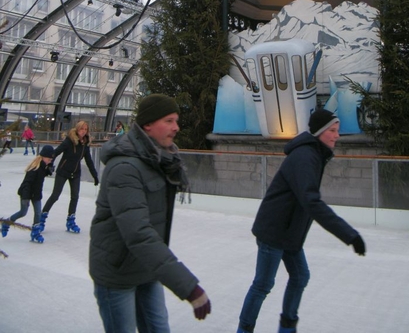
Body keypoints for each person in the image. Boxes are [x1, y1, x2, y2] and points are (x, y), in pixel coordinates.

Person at [89, 93, 211, 333]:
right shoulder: (125, 167)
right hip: (118, 273)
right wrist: (189, 287)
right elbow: (138, 233)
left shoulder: (158, 160)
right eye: (169, 120)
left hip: (146, 268)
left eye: (176, 120)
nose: (176, 127)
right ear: (147, 124)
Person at [236, 108, 366, 333]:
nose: (337, 135)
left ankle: (287, 326)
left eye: (338, 130)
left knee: (300, 276)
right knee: (263, 284)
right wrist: (349, 234)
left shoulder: (315, 154)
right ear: (320, 132)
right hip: (274, 230)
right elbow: (311, 202)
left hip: (290, 232)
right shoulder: (305, 157)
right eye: (333, 130)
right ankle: (244, 329)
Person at [39, 121, 99, 233]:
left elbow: (89, 161)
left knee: (75, 197)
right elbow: (56, 152)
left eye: (85, 129)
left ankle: (70, 220)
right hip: (63, 172)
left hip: (75, 173)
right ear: (77, 129)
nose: (84, 131)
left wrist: (95, 175)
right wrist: (48, 164)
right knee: (55, 195)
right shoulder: (69, 141)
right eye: (82, 129)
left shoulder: (85, 144)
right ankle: (41, 218)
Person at [1, 145, 54, 243]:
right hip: (26, 193)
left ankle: (35, 232)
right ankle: (6, 222)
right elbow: (27, 183)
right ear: (43, 157)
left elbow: (48, 172)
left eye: (51, 159)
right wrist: (25, 198)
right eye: (49, 159)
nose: (50, 160)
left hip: (36, 194)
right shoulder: (34, 168)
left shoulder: (43, 167)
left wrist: (50, 167)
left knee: (38, 213)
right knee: (23, 212)